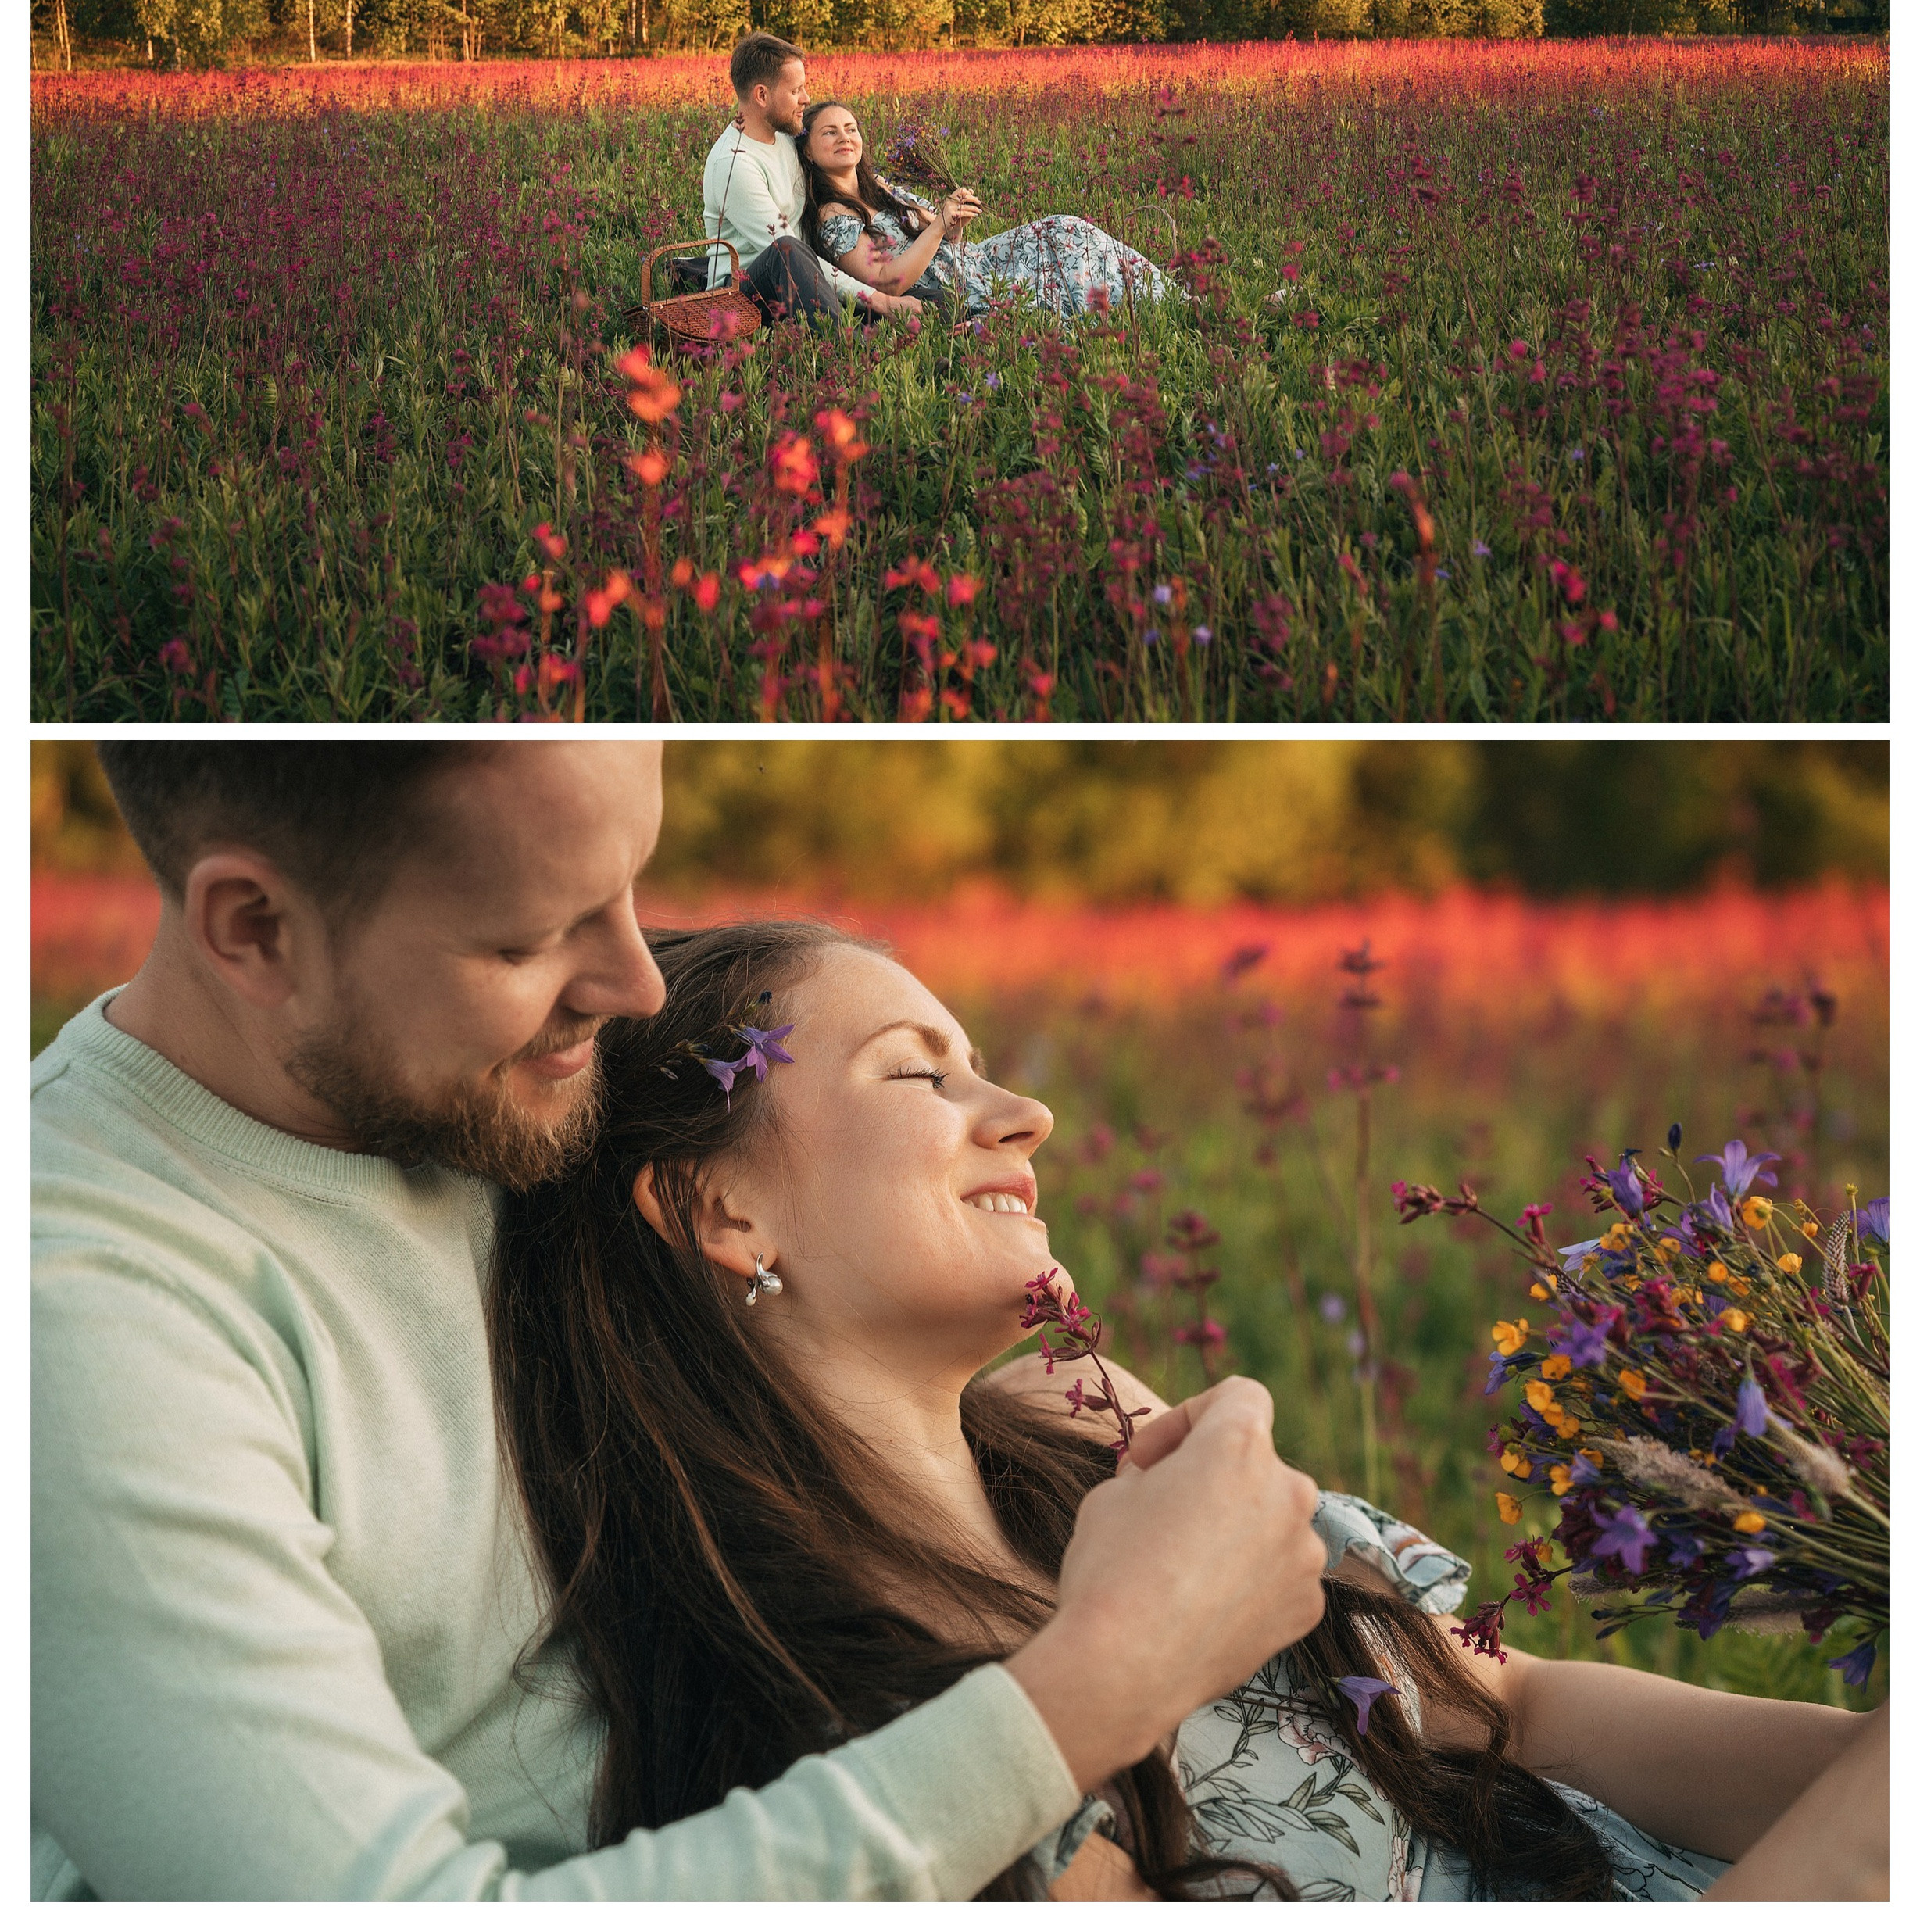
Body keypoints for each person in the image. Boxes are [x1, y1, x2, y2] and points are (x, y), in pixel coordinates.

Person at [31, 739, 1330, 1901]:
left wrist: (1020, 1423)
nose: (636, 983)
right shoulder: (88, 1327)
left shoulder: (482, 1078)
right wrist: (1110, 1674)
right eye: (528, 939)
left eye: (632, 886)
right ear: (255, 928)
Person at [490, 918, 1891, 1902]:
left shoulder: (1093, 1436)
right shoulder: (865, 1738)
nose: (1024, 1110)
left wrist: (1868, 1771)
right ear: (720, 1207)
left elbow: (1509, 1710)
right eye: (919, 1070)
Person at [796, 97, 1178, 320]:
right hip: (956, 290)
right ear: (809, 152)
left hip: (975, 261)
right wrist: (939, 225)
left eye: (851, 128)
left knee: (1064, 230)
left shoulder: (878, 186)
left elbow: (943, 239)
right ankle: (1144, 306)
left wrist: (954, 224)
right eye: (829, 132)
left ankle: (1166, 295)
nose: (845, 137)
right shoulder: (835, 215)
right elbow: (887, 281)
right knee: (1061, 263)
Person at [700, 34, 923, 329]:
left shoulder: (785, 140)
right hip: (744, 293)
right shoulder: (734, 164)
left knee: (930, 300)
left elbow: (836, 172)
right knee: (788, 251)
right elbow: (789, 253)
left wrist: (886, 194)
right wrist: (881, 300)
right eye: (796, 90)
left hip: (806, 280)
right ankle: (851, 350)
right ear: (762, 96)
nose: (806, 98)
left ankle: (935, 329)